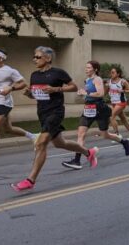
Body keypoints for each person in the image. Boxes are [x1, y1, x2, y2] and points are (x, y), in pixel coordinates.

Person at [11, 47, 99, 192]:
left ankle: (30, 180)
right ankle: (88, 153)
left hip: (56, 112)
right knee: (60, 143)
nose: (34, 59)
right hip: (42, 113)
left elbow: (73, 87)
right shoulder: (34, 75)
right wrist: (29, 94)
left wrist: (56, 89)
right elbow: (36, 95)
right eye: (34, 57)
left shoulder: (58, 73)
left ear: (48, 58)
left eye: (38, 57)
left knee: (41, 143)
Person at [61, 61, 129, 170]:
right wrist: (81, 93)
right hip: (88, 108)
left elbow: (100, 93)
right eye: (86, 67)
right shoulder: (87, 80)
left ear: (95, 69)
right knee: (81, 134)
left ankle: (124, 142)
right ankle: (77, 160)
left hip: (99, 109)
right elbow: (88, 94)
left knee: (105, 135)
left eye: (89, 68)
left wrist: (86, 93)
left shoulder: (97, 79)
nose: (86, 69)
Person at [107, 65, 129, 141]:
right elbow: (106, 91)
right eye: (111, 72)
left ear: (118, 74)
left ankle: (117, 135)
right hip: (113, 102)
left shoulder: (122, 81)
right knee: (123, 118)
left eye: (113, 72)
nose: (111, 74)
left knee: (111, 116)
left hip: (121, 102)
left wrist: (123, 91)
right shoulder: (109, 81)